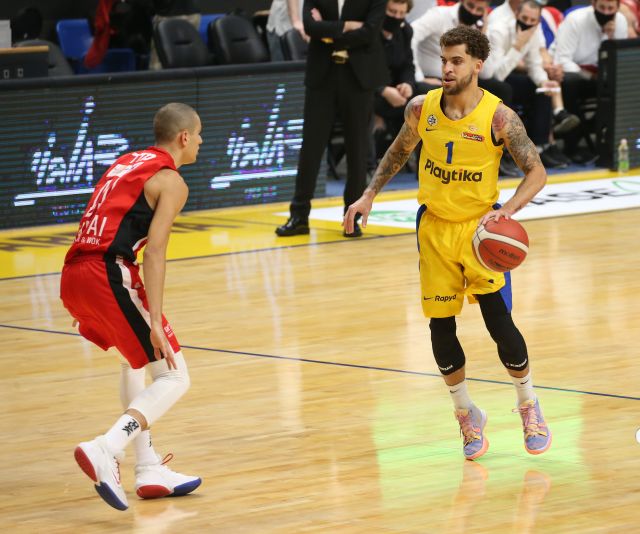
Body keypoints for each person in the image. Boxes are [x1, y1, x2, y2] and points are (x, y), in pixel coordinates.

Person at [344, 26, 552, 460]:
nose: (447, 69)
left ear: (477, 64)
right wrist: (369, 194)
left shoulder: (499, 117)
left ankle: (528, 403)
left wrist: (508, 210)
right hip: (435, 230)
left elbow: (537, 172)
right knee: (440, 327)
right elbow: (398, 151)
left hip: (479, 233)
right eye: (444, 60)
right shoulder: (422, 108)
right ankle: (466, 413)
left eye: (456, 61)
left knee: (499, 324)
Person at [60, 103, 203, 510]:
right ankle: (106, 447)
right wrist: (155, 320)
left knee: (133, 361)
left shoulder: (126, 163)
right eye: (199, 135)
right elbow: (154, 252)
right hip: (108, 273)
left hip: (74, 273)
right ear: (184, 137)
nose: (201, 142)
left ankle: (148, 467)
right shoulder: (171, 181)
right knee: (174, 375)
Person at [275, 0, 389, 238]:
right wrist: (346, 26)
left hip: (358, 78)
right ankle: (299, 216)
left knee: (357, 149)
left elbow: (370, 32)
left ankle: (351, 218)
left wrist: (328, 34)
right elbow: (310, 27)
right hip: (322, 76)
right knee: (311, 147)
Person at [409, 0, 521, 177]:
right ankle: (428, 163)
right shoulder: (439, 15)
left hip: (463, 79)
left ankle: (495, 155)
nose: (473, 12)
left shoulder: (478, 27)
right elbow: (411, 34)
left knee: (502, 89)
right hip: (432, 78)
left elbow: (486, 72)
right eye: (470, 6)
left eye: (479, 9)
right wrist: (418, 76)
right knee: (433, 93)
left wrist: (483, 33)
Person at [481, 0, 580, 168]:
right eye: (524, 18)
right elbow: (497, 75)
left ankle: (541, 146)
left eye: (532, 20)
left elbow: (534, 65)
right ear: (516, 15)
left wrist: (543, 82)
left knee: (541, 90)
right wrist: (518, 46)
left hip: (510, 75)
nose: (527, 23)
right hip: (490, 79)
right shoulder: (498, 30)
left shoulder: (533, 32)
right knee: (505, 89)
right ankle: (503, 152)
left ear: (538, 21)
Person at [553, 0, 628, 162]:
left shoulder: (621, 21)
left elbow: (619, 59)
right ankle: (571, 146)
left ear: (617, 8)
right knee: (570, 82)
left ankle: (606, 141)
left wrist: (610, 38)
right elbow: (562, 60)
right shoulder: (575, 19)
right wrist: (590, 76)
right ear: (593, 4)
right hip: (573, 73)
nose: (606, 12)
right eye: (602, 7)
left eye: (610, 8)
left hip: (602, 75)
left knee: (624, 83)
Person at [373, 0, 417, 160]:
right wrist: (383, 90)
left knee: (428, 97)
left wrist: (407, 84)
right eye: (392, 12)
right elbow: (357, 70)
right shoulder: (368, 31)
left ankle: (425, 161)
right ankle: (370, 163)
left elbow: (407, 65)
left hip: (397, 90)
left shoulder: (405, 31)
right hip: (370, 90)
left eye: (401, 13)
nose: (397, 17)